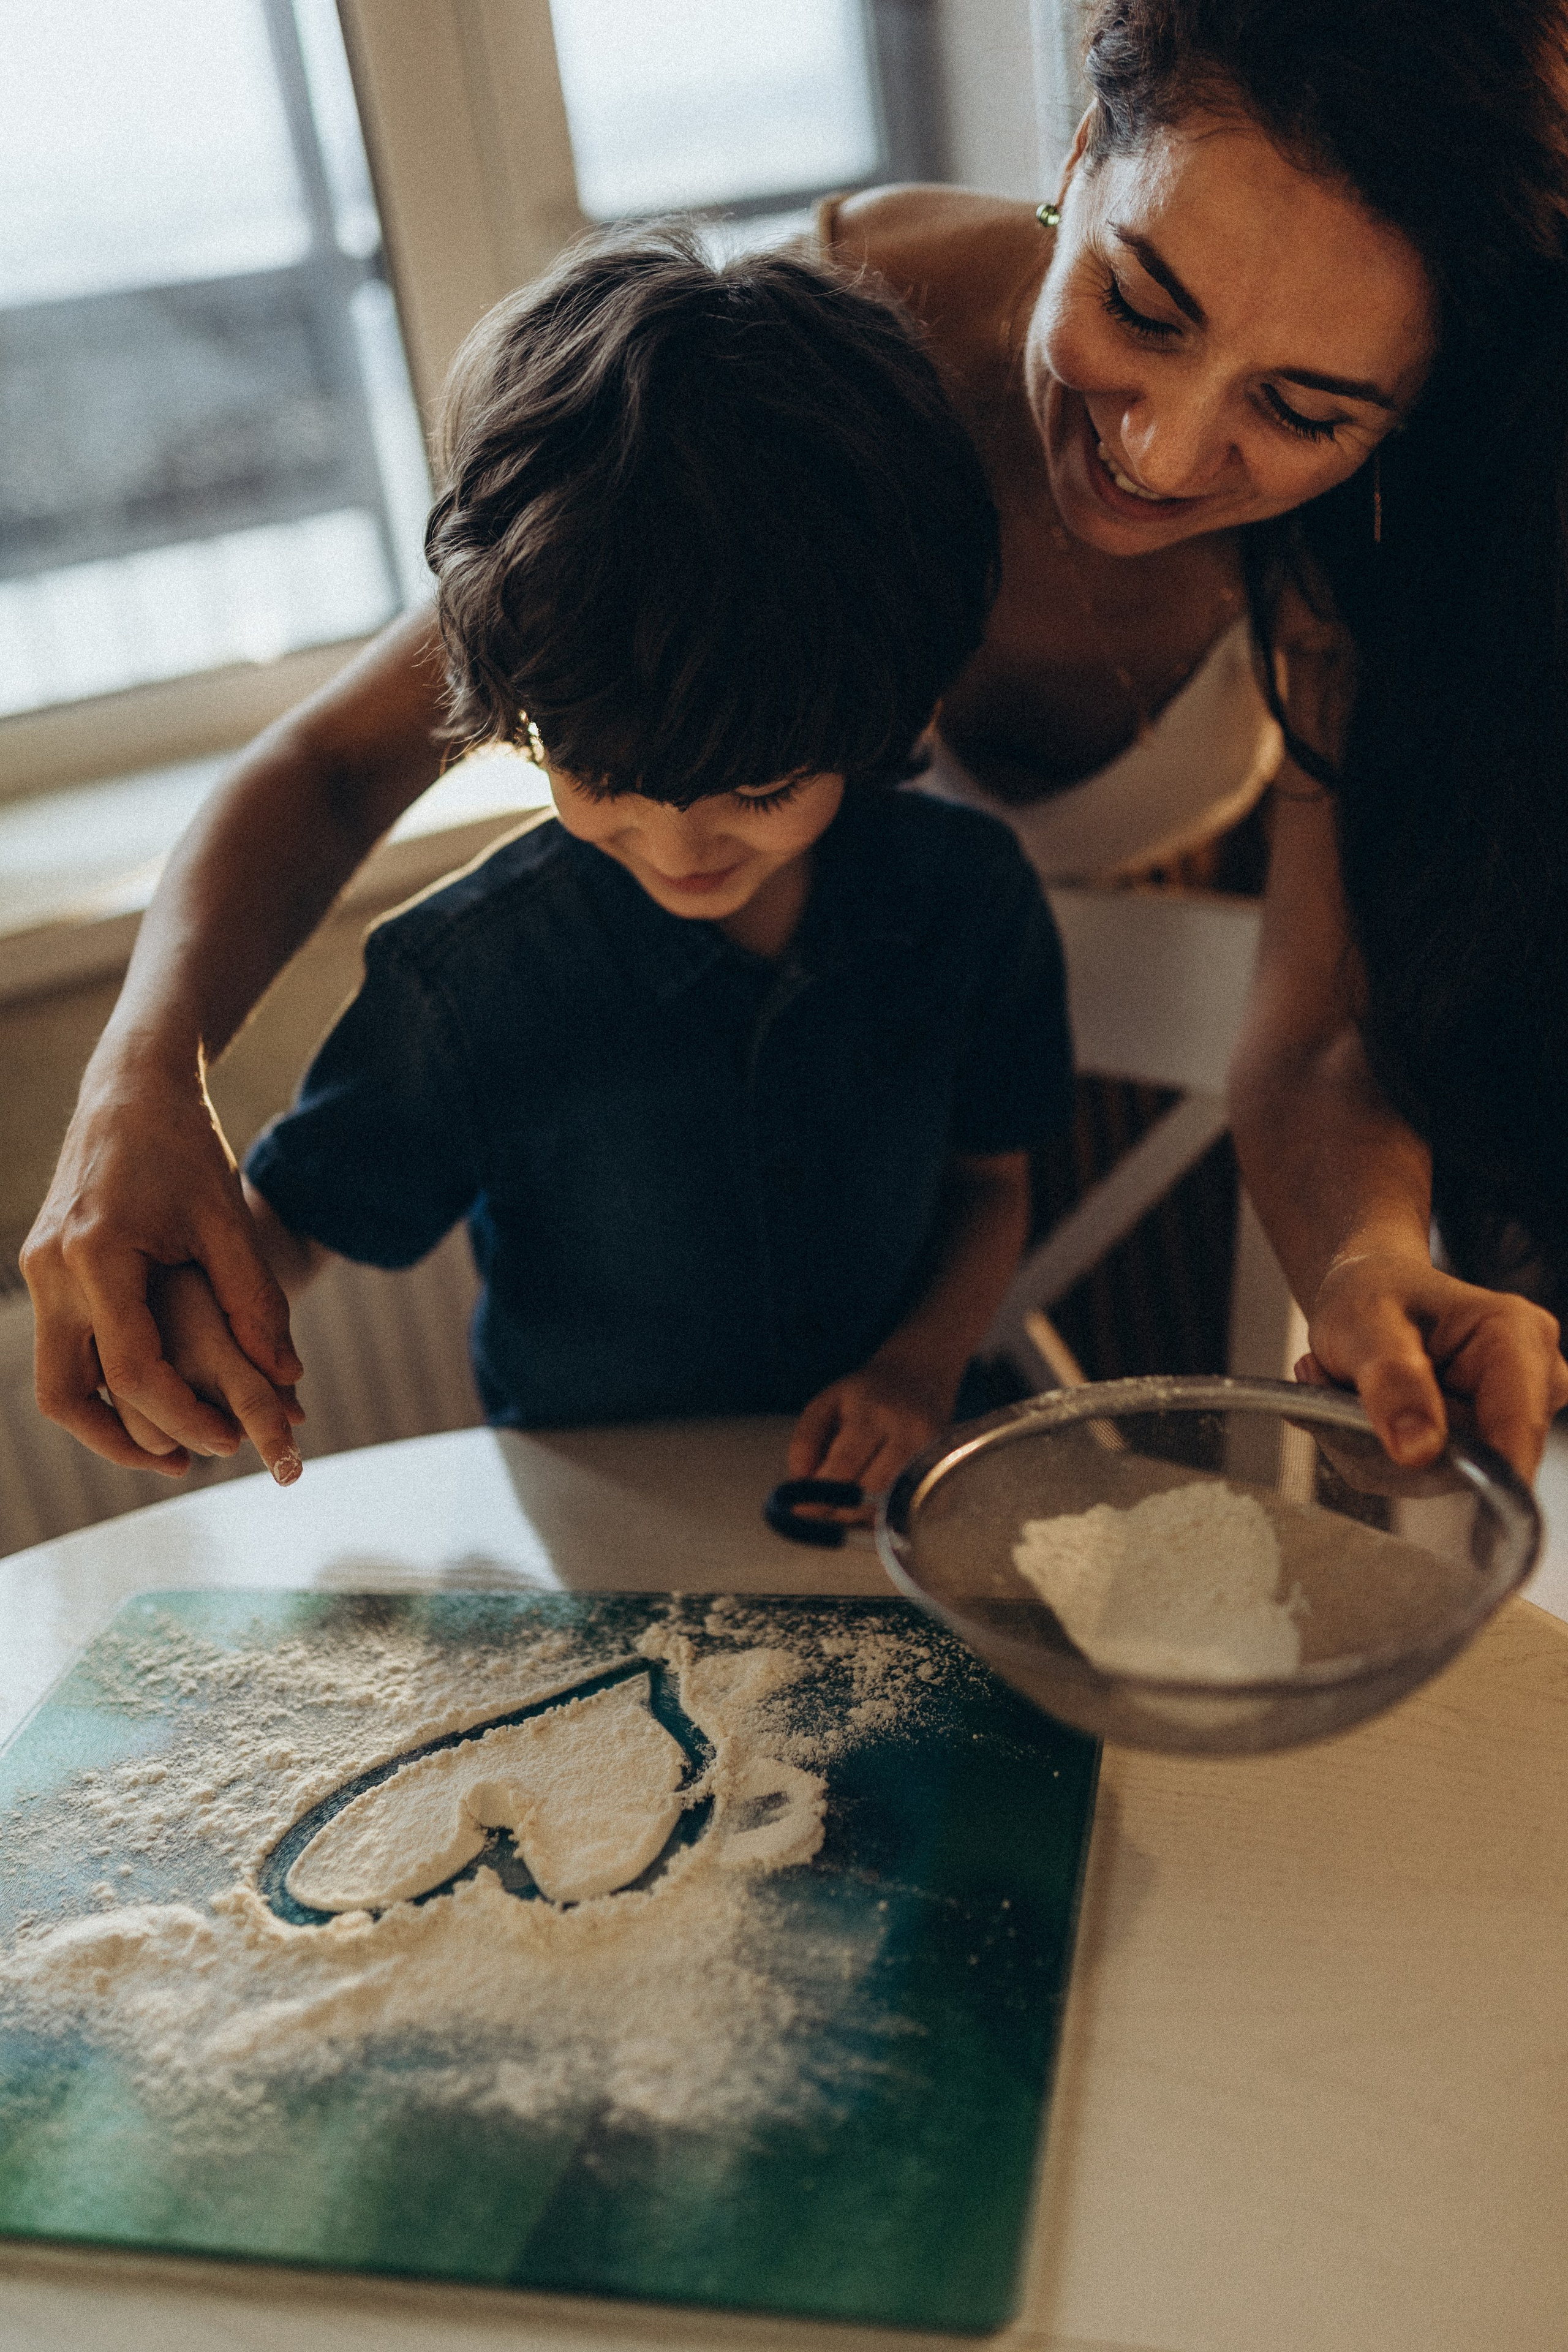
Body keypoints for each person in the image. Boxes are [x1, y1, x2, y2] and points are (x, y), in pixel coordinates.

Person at [23, 0, 1568, 1483]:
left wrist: (1367, 1264)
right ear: (1080, 151)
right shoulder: (820, 374)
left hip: (1019, 1043)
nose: (1158, 452)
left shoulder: (1379, 566)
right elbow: (340, 757)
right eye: (1139, 307)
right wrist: (139, 1084)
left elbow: (1307, 1038)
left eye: (1298, 410)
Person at [111, 228, 1071, 1495]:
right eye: (602, 779)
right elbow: (298, 1225)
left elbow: (988, 1186)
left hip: (896, 1508)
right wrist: (201, 1318)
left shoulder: (967, 902)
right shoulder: (466, 981)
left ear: (894, 715)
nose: (679, 846)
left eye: (763, 788)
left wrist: (917, 1368)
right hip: (595, 1533)